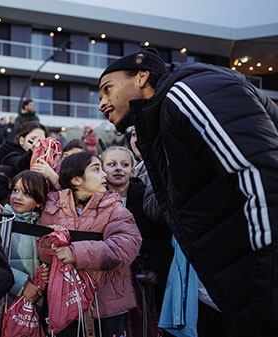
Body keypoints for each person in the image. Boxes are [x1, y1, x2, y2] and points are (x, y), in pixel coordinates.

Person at [98, 47, 278, 335]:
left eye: (107, 89)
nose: (102, 103)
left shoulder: (189, 92)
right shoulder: (161, 120)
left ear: (142, 76)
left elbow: (260, 176)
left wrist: (269, 286)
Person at [38, 151, 142, 337]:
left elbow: (124, 248)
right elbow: (43, 252)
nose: (104, 174)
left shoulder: (114, 208)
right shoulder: (53, 207)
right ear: (76, 180)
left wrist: (75, 253)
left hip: (107, 305)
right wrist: (50, 249)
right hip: (67, 304)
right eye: (96, 169)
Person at [101, 146, 173, 323]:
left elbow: (159, 239)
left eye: (124, 164)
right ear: (101, 170)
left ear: (133, 172)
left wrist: (156, 270)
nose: (118, 168)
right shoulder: (96, 201)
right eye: (112, 164)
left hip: (142, 280)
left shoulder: (144, 199)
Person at [0, 171, 51, 305]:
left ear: (39, 202)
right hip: (3, 303)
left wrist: (47, 272)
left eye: (26, 194)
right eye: (15, 190)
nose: (18, 197)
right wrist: (22, 285)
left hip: (31, 305)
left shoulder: (42, 226)